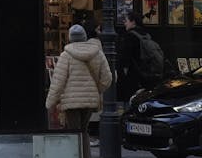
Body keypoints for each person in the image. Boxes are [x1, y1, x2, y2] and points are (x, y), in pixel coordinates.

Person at [48, 24, 114, 157]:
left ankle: (76, 155)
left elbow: (58, 82)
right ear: (84, 37)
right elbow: (108, 78)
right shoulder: (97, 53)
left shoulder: (66, 55)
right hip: (90, 102)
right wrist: (96, 90)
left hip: (71, 102)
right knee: (83, 131)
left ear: (70, 38)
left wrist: (50, 103)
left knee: (74, 133)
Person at [118, 12, 163, 102]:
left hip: (134, 74)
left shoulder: (130, 36)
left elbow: (125, 57)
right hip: (146, 73)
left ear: (133, 22)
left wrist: (121, 70)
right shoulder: (145, 34)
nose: (124, 23)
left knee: (130, 99)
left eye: (126, 20)